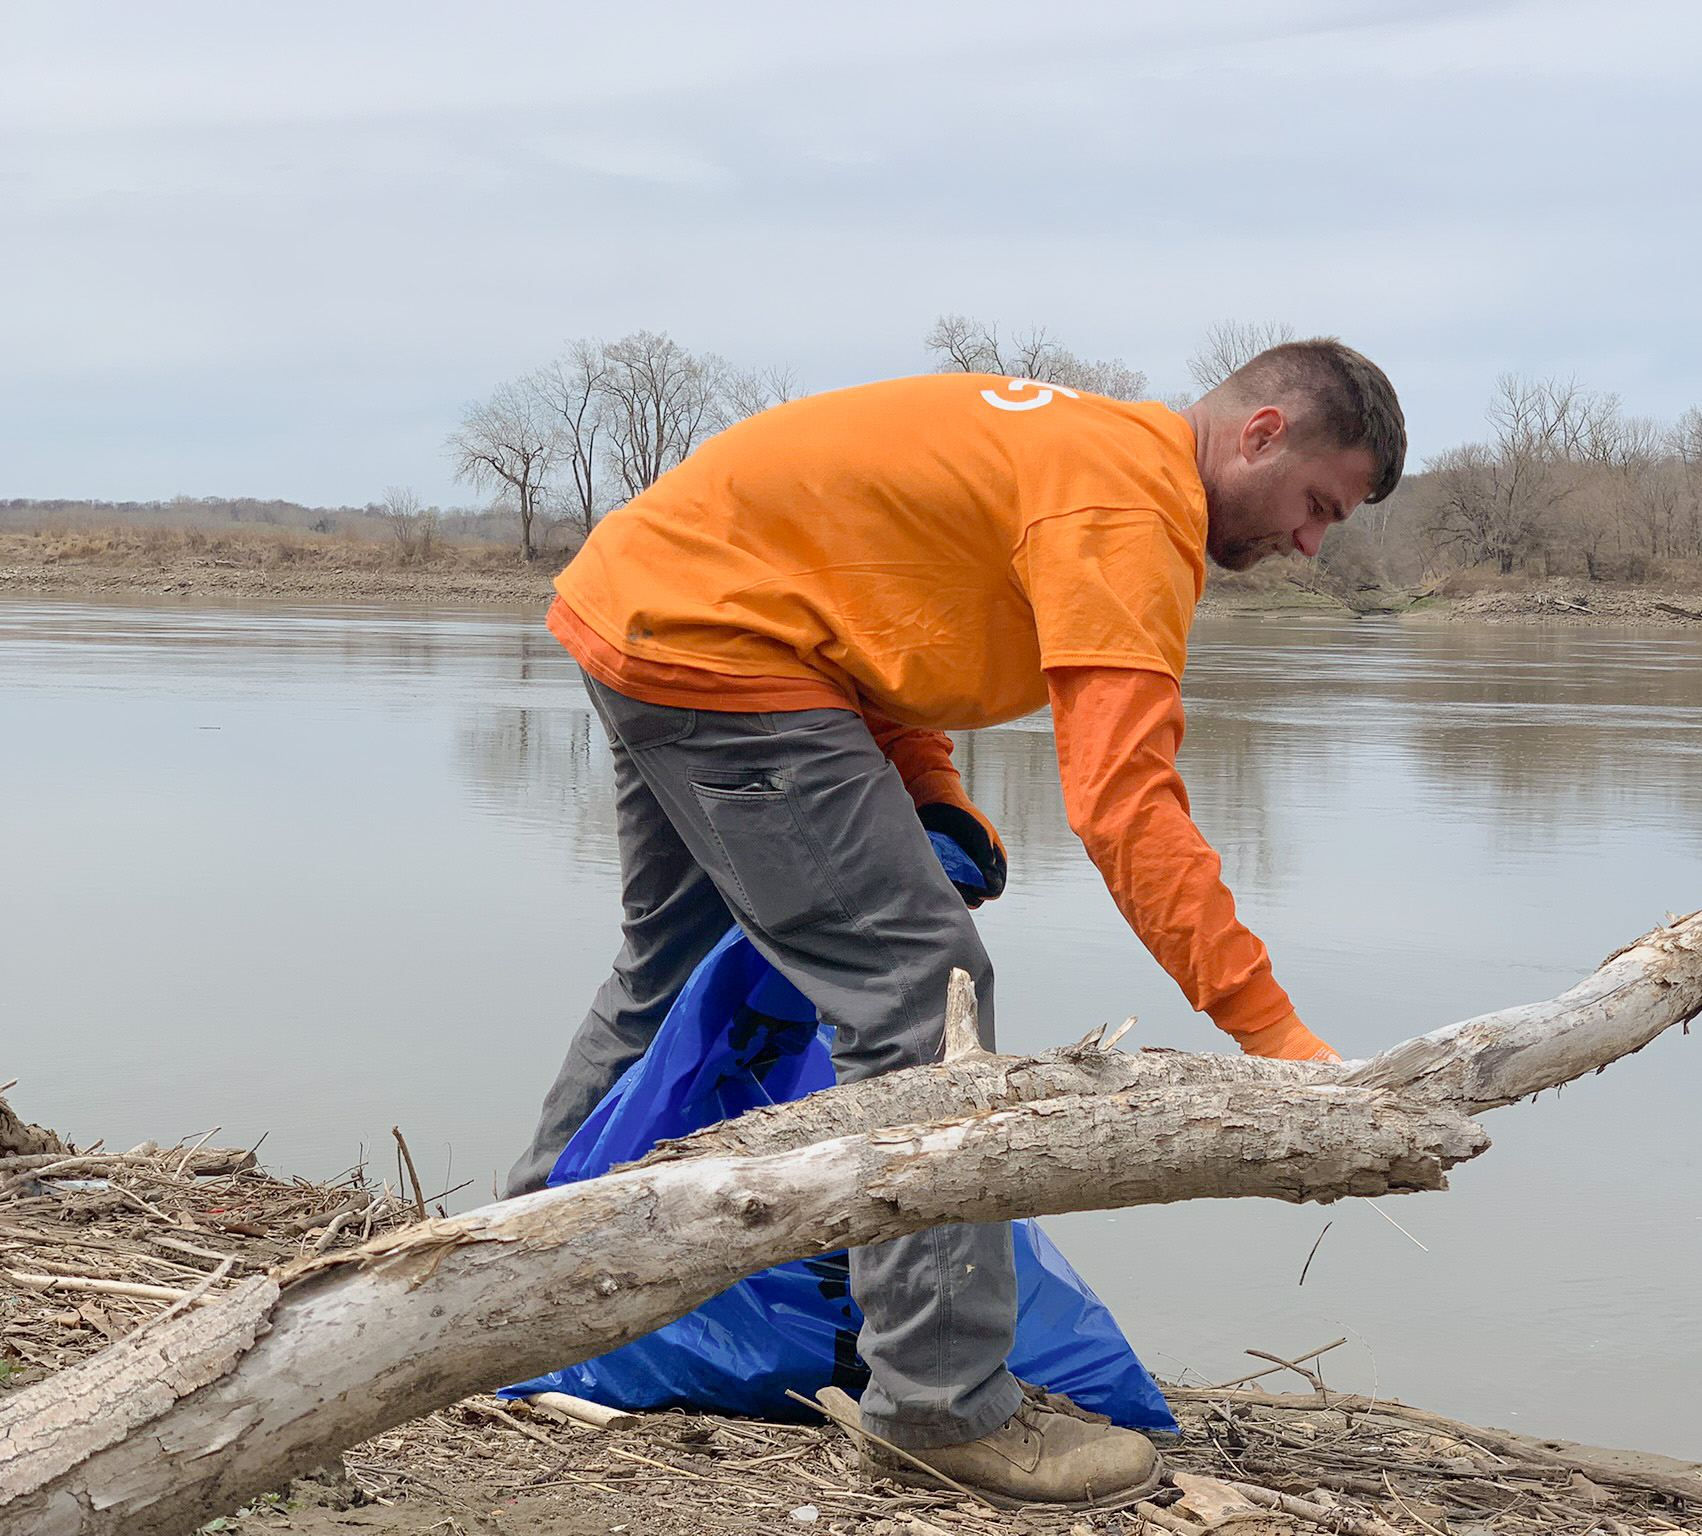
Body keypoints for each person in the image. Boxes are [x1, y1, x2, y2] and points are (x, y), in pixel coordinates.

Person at [506, 339, 1406, 1507]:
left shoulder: (1089, 454)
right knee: (924, 989)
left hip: (653, 601)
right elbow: (1125, 804)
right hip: (715, 639)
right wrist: (1274, 1036)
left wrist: (929, 793)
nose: (1308, 542)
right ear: (1260, 433)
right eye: (1315, 505)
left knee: (668, 965)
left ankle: (514, 1286)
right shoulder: (1129, 504)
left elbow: (868, 621)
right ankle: (939, 1403)